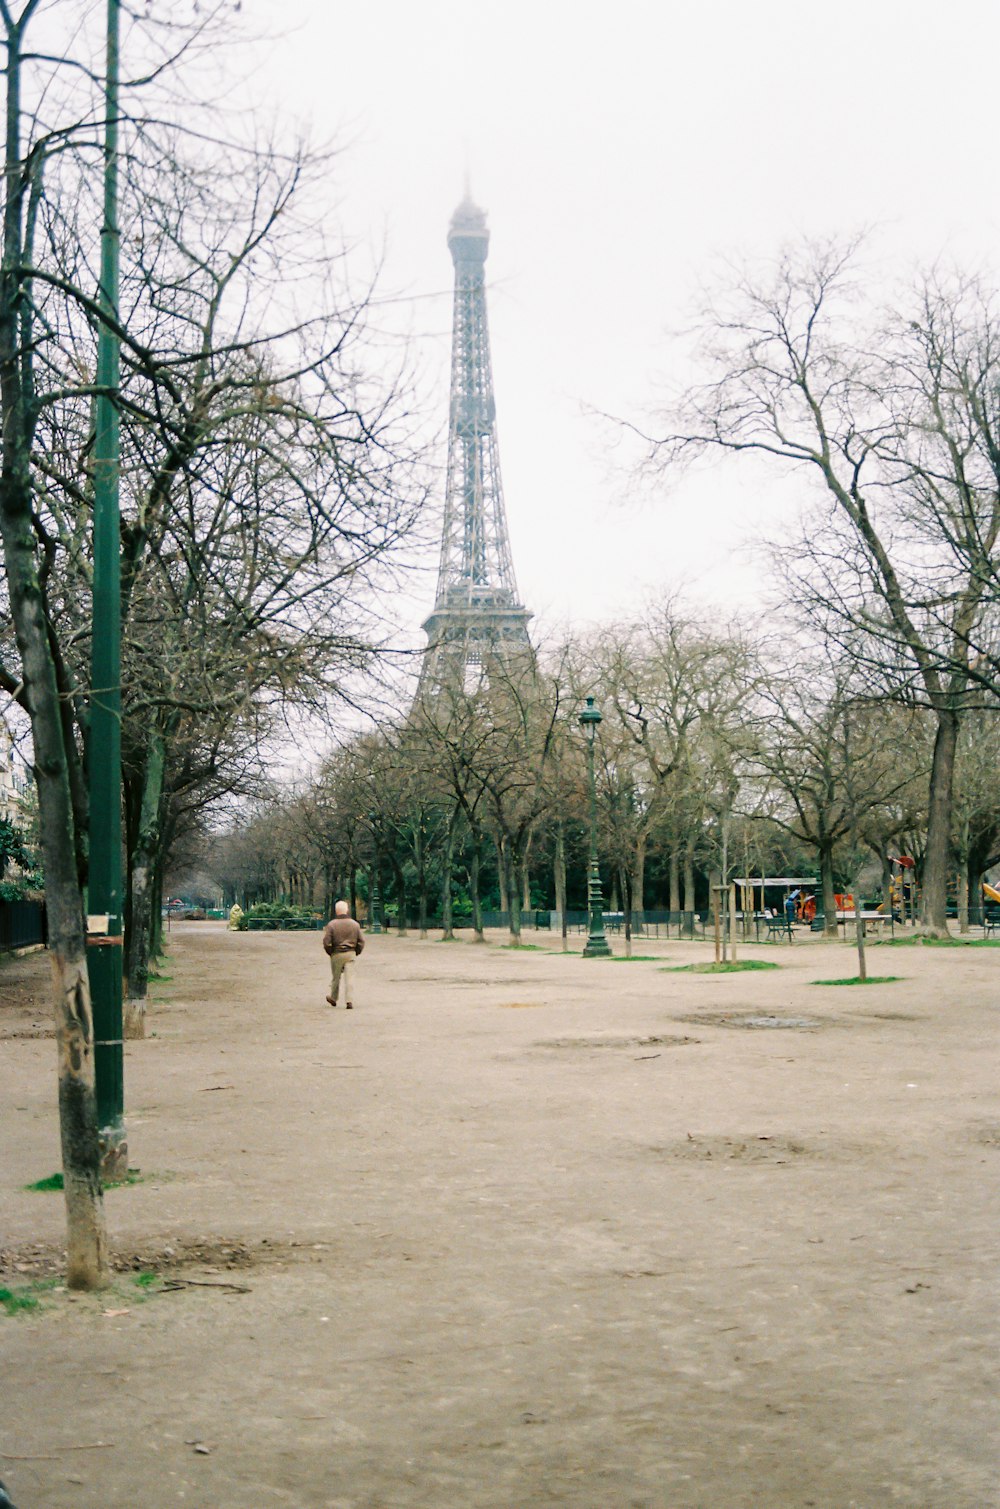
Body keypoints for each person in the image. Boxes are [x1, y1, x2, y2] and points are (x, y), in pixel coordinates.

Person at [322, 899, 365, 1009]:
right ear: (347, 910)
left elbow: (326, 942)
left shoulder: (331, 925)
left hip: (337, 953)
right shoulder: (355, 924)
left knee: (336, 978)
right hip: (350, 953)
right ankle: (349, 1001)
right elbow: (361, 941)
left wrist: (331, 952)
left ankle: (333, 997)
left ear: (336, 911)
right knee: (349, 978)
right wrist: (356, 951)